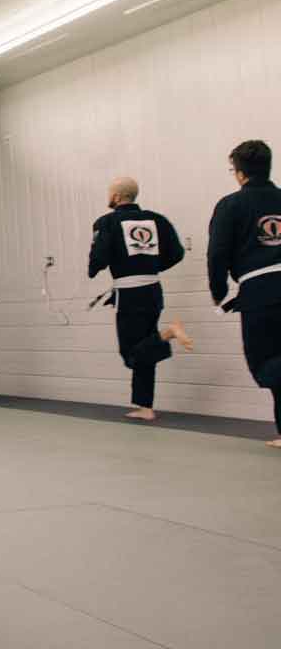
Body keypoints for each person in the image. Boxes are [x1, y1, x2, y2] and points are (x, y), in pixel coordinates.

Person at [88, 176, 192, 422]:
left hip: (129, 293)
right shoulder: (157, 220)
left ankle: (169, 333)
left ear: (116, 197)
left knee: (130, 352)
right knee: (145, 347)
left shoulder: (107, 222)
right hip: (153, 290)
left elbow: (99, 255)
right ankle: (145, 407)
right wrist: (152, 266)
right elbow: (177, 253)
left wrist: (93, 269)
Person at [208, 140, 281, 448]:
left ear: (239, 173)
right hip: (261, 289)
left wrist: (218, 291)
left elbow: (218, 253)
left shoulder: (231, 205)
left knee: (265, 362)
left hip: (260, 292)